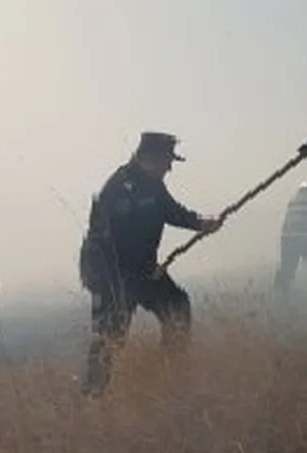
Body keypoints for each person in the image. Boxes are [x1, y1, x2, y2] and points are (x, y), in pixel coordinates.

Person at [77, 132, 223, 397]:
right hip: (111, 273)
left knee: (177, 306)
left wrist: (201, 223)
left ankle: (169, 375)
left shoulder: (152, 184)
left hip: (140, 268)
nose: (169, 167)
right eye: (167, 161)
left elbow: (171, 211)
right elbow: (114, 239)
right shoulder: (119, 187)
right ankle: (92, 398)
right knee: (111, 337)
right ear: (149, 158)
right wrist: (141, 270)